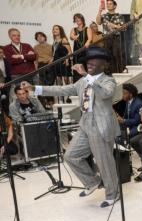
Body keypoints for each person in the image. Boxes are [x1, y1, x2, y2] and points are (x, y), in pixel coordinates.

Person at [21, 46, 120, 208]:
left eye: (94, 63)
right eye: (89, 62)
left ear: (103, 65)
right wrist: (35, 89)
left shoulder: (108, 80)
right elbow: (61, 89)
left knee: (104, 162)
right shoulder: (83, 81)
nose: (90, 64)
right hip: (85, 124)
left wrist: (86, 76)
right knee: (70, 156)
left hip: (100, 126)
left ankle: (113, 193)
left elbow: (105, 94)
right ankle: (92, 181)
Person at [4, 28, 36, 100]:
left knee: (34, 94)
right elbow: (11, 61)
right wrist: (26, 57)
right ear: (10, 36)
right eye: (14, 35)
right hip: (17, 76)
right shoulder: (6, 48)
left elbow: (34, 57)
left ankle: (38, 110)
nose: (17, 37)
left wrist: (21, 56)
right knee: (19, 97)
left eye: (18, 35)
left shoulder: (27, 45)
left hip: (31, 74)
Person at [96, 0, 125, 73]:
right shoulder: (104, 16)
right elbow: (98, 22)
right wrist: (99, 11)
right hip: (107, 38)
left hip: (116, 38)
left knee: (117, 56)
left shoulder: (119, 16)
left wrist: (113, 26)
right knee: (108, 57)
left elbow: (123, 28)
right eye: (107, 4)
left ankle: (119, 72)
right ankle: (111, 73)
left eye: (110, 4)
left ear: (115, 6)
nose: (108, 5)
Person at [70, 13, 92, 82]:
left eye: (78, 18)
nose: (77, 20)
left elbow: (90, 38)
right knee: (77, 67)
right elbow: (71, 36)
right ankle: (78, 84)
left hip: (86, 51)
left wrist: (87, 43)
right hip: (77, 52)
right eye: (75, 19)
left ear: (82, 19)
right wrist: (73, 37)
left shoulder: (87, 28)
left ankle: (88, 83)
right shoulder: (74, 29)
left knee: (86, 67)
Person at [0, 46, 11, 114]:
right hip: (0, 82)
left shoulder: (7, 60)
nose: (0, 54)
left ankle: (8, 113)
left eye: (1, 52)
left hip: (8, 81)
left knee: (7, 98)